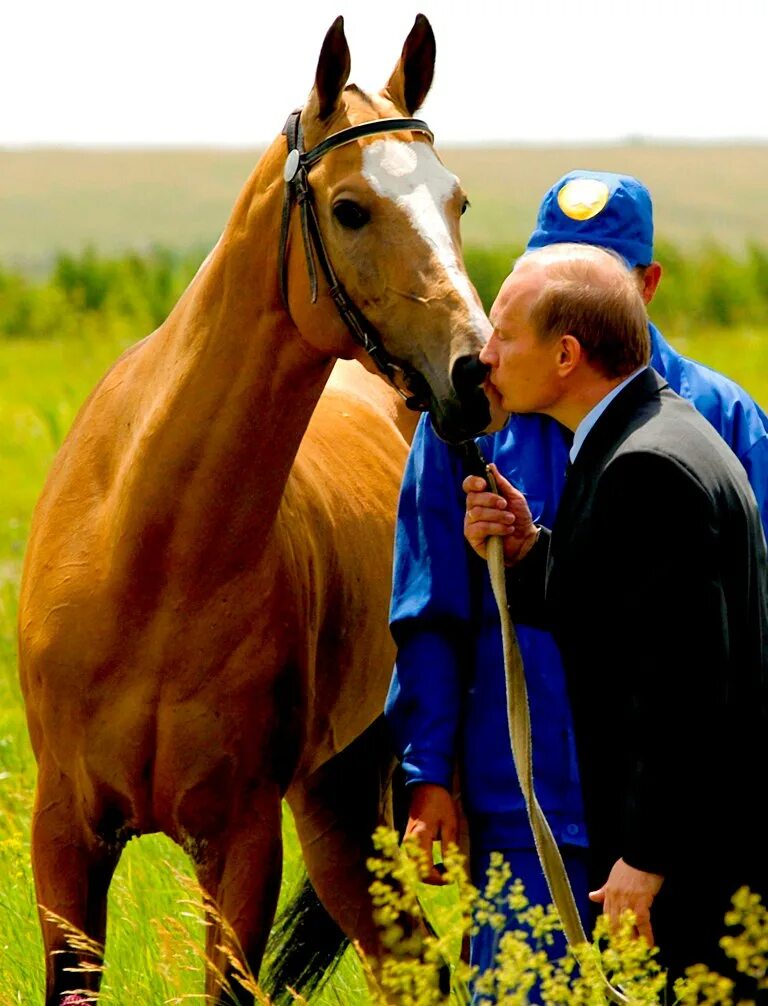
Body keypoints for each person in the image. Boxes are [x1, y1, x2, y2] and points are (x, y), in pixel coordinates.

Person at [384, 171, 768, 980]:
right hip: (521, 797)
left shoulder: (712, 422)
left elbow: (696, 663)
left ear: (641, 288)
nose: (489, 352)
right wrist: (428, 772)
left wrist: (654, 843)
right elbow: (431, 606)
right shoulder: (471, 421)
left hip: (663, 821)